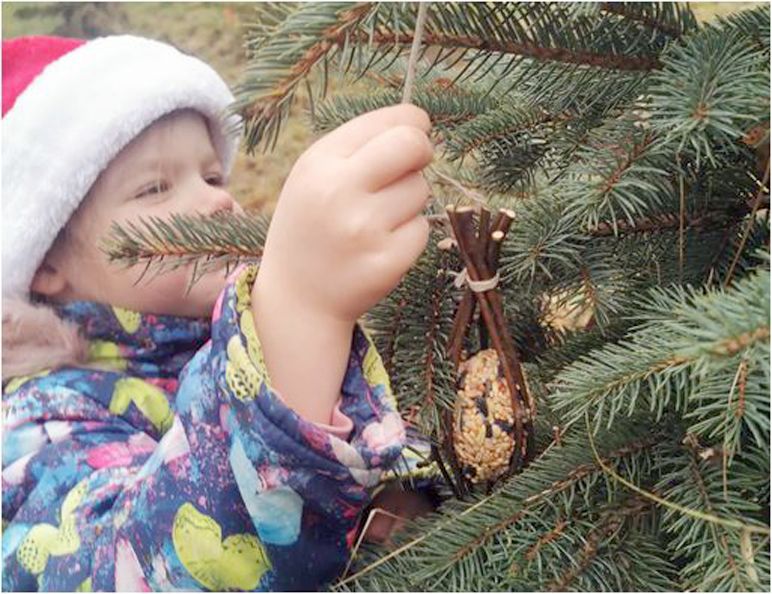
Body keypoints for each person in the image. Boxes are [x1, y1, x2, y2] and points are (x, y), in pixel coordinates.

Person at [2, 34, 437, 591]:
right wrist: (297, 310)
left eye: (212, 177)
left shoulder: (226, 337)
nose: (216, 201)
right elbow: (125, 567)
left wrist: (401, 492)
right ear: (45, 261)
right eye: (155, 188)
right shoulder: (38, 420)